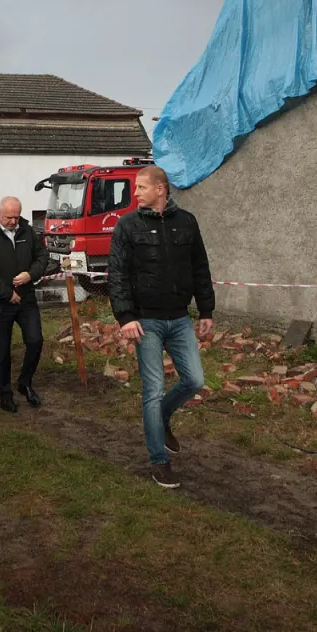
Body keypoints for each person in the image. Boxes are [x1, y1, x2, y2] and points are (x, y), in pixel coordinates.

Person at [108, 165, 214, 490]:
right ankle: (159, 461)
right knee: (152, 391)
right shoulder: (127, 226)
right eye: (135, 187)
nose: (135, 192)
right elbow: (118, 274)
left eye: (140, 187)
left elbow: (200, 266)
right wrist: (126, 317)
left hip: (180, 317)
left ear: (160, 189)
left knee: (194, 380)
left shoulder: (187, 222)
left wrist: (206, 310)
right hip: (146, 321)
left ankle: (164, 418)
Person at [0, 196, 50, 413]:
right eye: (9, 217)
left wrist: (30, 274)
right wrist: (7, 293)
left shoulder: (28, 232)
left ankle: (25, 382)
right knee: (1, 351)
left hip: (26, 299)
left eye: (17, 216)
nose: (13, 221)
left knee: (35, 340)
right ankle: (5, 393)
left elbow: (42, 257)